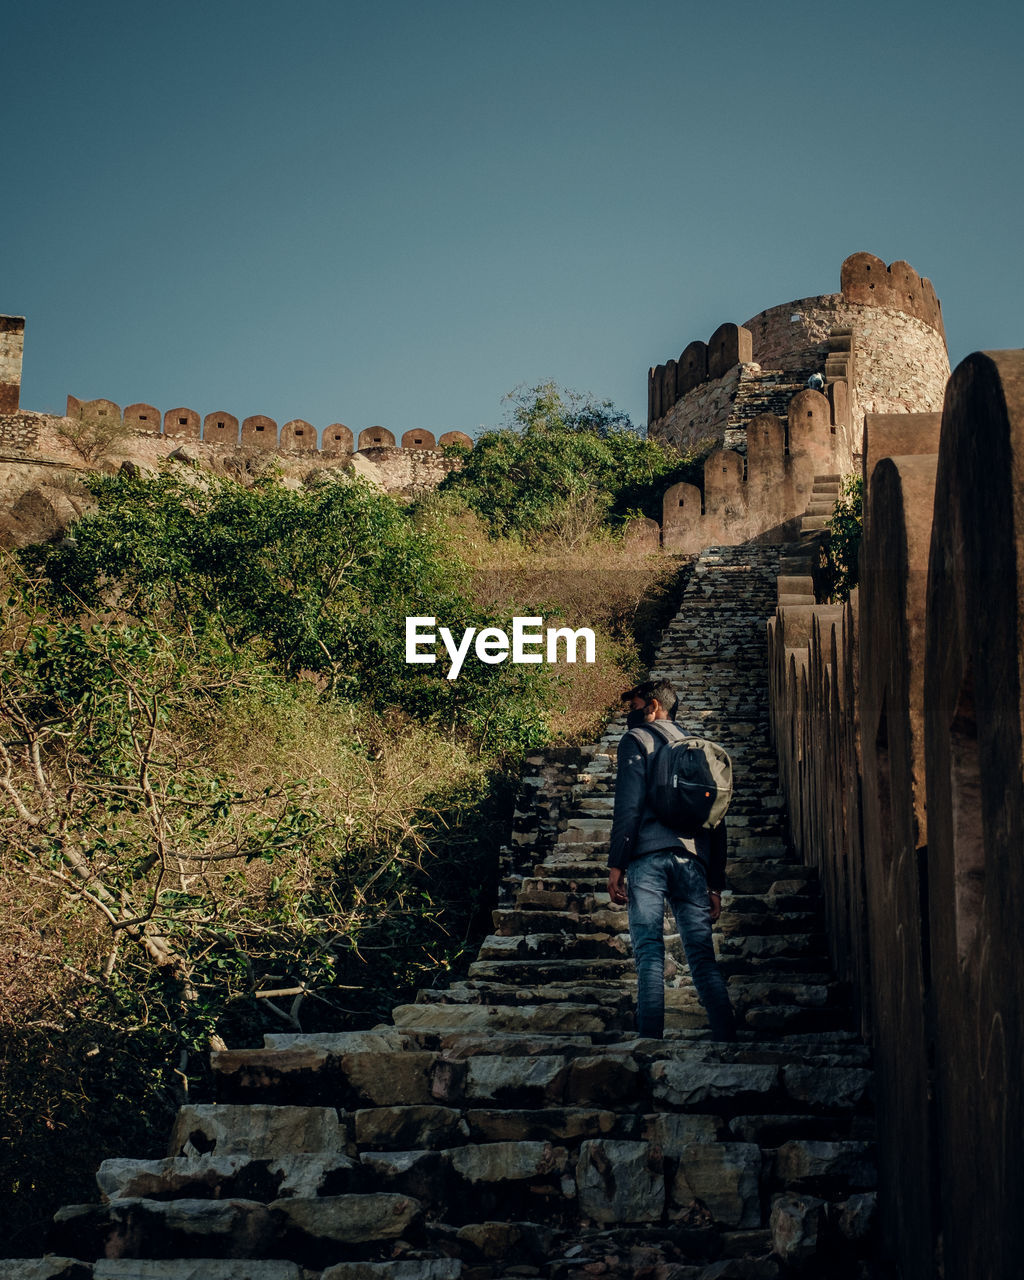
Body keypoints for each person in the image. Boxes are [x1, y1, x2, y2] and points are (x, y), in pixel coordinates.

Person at [608, 679, 736, 1040]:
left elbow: (628, 806)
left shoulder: (637, 740)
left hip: (648, 859)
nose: (628, 716)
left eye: (633, 707)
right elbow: (717, 819)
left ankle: (650, 1044)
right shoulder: (699, 748)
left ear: (652, 707)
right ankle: (727, 1040)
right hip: (692, 862)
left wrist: (617, 864)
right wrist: (715, 883)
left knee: (649, 953)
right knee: (701, 957)